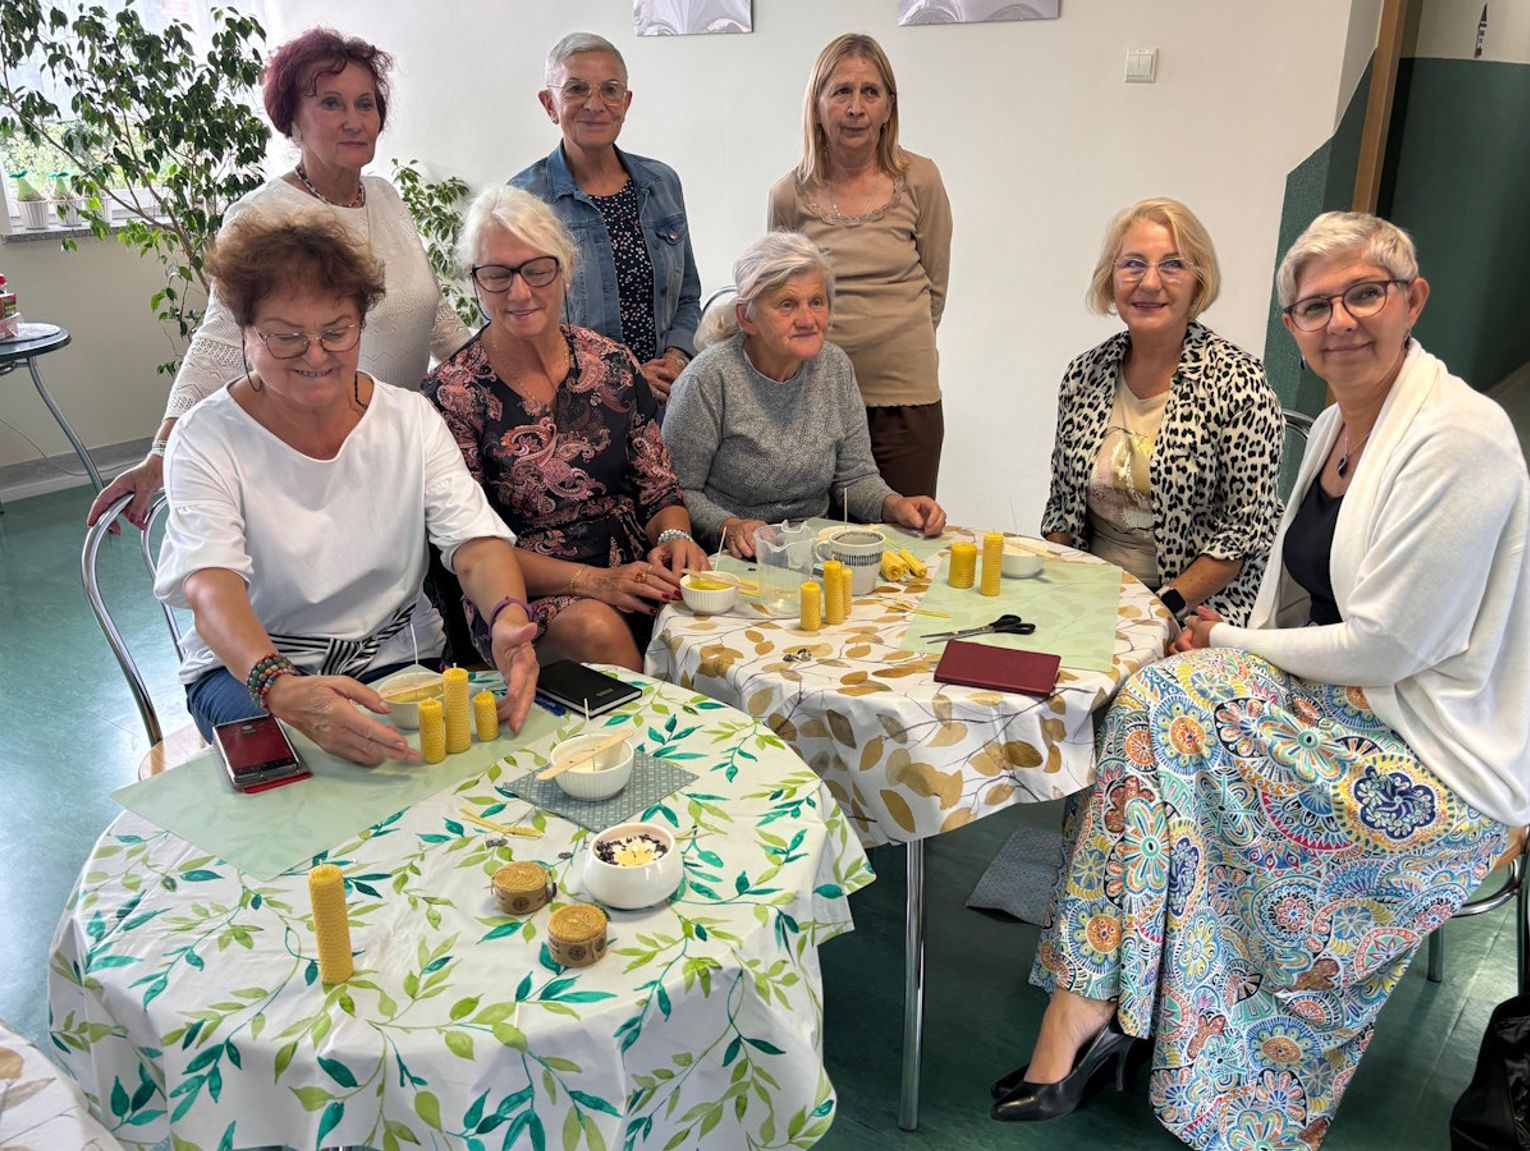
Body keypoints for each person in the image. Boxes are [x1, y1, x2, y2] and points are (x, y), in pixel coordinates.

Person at [999, 212, 1529, 1150]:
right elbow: (1299, 598)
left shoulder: (1462, 436)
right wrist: (1208, 649)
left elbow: (1388, 643)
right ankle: (1099, 1005)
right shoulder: (1333, 421)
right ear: (1293, 322)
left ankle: (1103, 1013)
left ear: (1413, 298)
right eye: (1316, 304)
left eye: (1364, 293)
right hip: (1343, 696)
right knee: (1154, 706)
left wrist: (1220, 640)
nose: (1340, 321)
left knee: (1164, 710)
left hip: (1436, 753)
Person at [153, 210, 537, 764]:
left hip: (396, 657)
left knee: (435, 773)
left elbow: (475, 543)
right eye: (285, 337)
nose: (315, 355)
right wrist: (283, 688)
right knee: (305, 772)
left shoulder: (407, 419)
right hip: (253, 674)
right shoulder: (207, 437)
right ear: (245, 332)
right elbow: (211, 588)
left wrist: (507, 618)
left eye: (337, 331)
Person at [88, 28, 471, 531]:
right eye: (332, 103)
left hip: (398, 443)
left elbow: (432, 311)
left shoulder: (386, 198)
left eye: (366, 104)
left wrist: (507, 376)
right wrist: (162, 451)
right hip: (310, 456)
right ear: (292, 116)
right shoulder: (262, 215)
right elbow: (221, 342)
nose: (355, 121)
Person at [424, 186, 708, 673]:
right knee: (598, 630)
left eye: (537, 269)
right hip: (526, 592)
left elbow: (659, 491)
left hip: (633, 565)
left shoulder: (613, 363)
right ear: (475, 282)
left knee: (723, 614)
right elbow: (474, 546)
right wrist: (594, 582)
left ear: (566, 269)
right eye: (497, 274)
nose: (519, 292)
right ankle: (651, 749)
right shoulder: (453, 393)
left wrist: (674, 539)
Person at [1041, 198, 1283, 624]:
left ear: (1198, 282)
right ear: (1110, 279)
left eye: (1173, 265)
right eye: (1133, 264)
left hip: (1198, 606)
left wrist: (1158, 609)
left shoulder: (1239, 383)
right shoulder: (1083, 376)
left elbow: (1242, 535)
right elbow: (1062, 510)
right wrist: (1059, 594)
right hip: (1093, 593)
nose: (1149, 283)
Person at [664, 231, 946, 557]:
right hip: (728, 559)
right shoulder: (708, 379)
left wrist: (895, 505)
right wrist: (732, 525)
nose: (808, 319)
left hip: (814, 552)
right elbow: (676, 492)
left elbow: (854, 478)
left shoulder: (836, 367)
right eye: (787, 304)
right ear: (747, 316)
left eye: (817, 302)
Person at [768, 33, 952, 498]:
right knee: (820, 543)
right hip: (814, 394)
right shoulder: (788, 195)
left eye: (870, 92)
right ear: (816, 105)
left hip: (905, 398)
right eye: (841, 92)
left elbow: (935, 287)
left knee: (905, 541)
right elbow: (779, 299)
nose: (855, 108)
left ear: (889, 107)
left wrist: (892, 337)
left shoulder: (922, 180)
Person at [510, 32, 701, 403]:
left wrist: (677, 358)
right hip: (576, 412)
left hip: (666, 403)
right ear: (549, 104)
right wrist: (622, 377)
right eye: (576, 89)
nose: (595, 104)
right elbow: (514, 327)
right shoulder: (524, 203)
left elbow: (689, 296)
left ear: (626, 103)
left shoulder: (662, 184)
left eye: (610, 90)